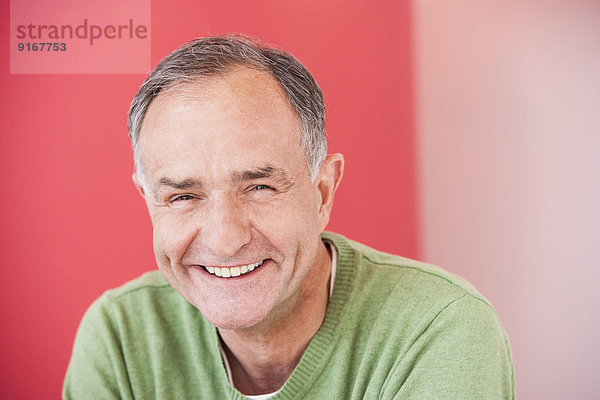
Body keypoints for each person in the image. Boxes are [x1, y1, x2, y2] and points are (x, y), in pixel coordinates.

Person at [63, 35, 515, 399]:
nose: (224, 240)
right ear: (149, 202)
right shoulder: (119, 336)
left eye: (259, 187)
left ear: (322, 192)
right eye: (183, 196)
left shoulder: (438, 328)